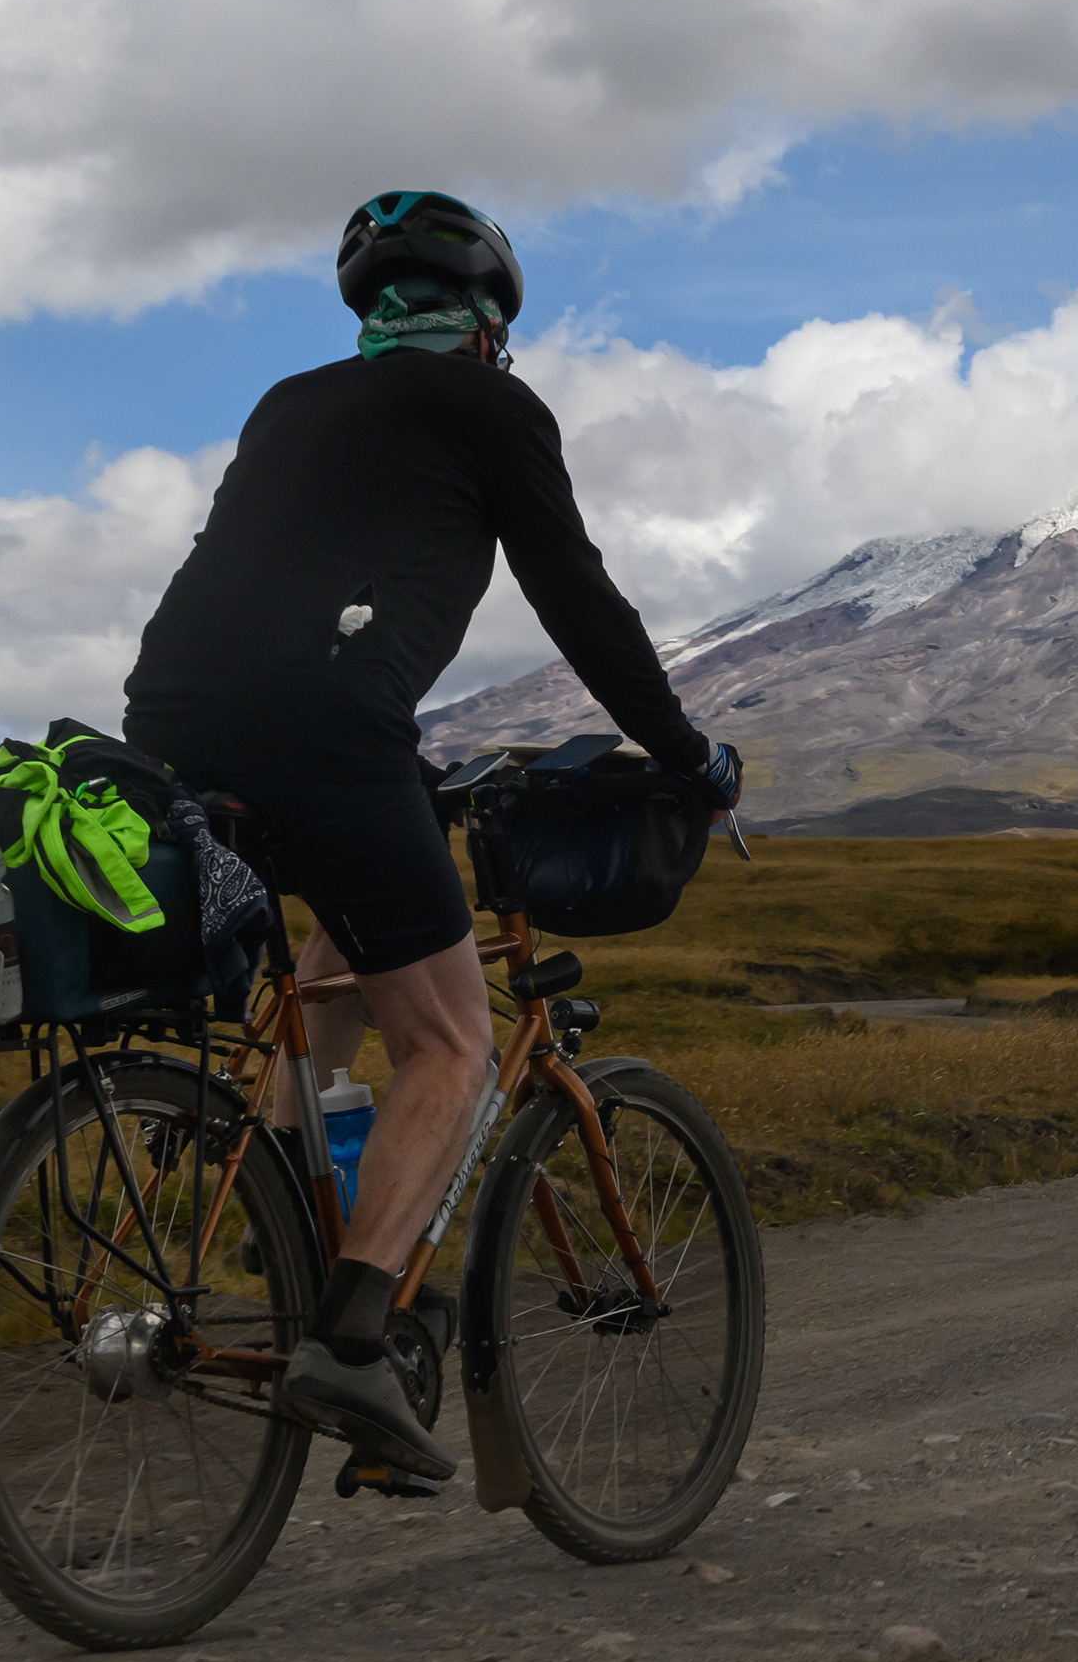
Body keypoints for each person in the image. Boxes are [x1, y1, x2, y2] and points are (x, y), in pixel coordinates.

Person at [124, 190, 741, 1482]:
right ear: (487, 325)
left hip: (170, 723)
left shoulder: (288, 404)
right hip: (331, 729)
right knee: (456, 1041)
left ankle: (282, 1199)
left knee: (334, 971)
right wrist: (686, 755)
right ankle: (351, 1337)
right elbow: (576, 597)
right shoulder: (494, 410)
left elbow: (263, 583)